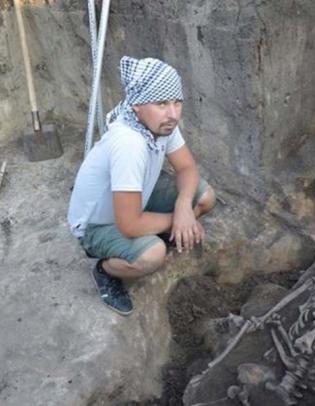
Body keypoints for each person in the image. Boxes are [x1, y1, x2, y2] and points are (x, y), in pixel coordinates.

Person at [68, 56, 216, 316]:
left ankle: (159, 230)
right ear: (137, 106)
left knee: (204, 197)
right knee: (152, 255)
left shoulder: (162, 124)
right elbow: (129, 224)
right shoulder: (129, 143)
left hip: (138, 197)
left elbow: (187, 168)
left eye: (177, 102)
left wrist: (183, 208)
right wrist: (177, 220)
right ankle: (105, 271)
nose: (173, 113)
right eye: (161, 103)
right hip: (99, 223)